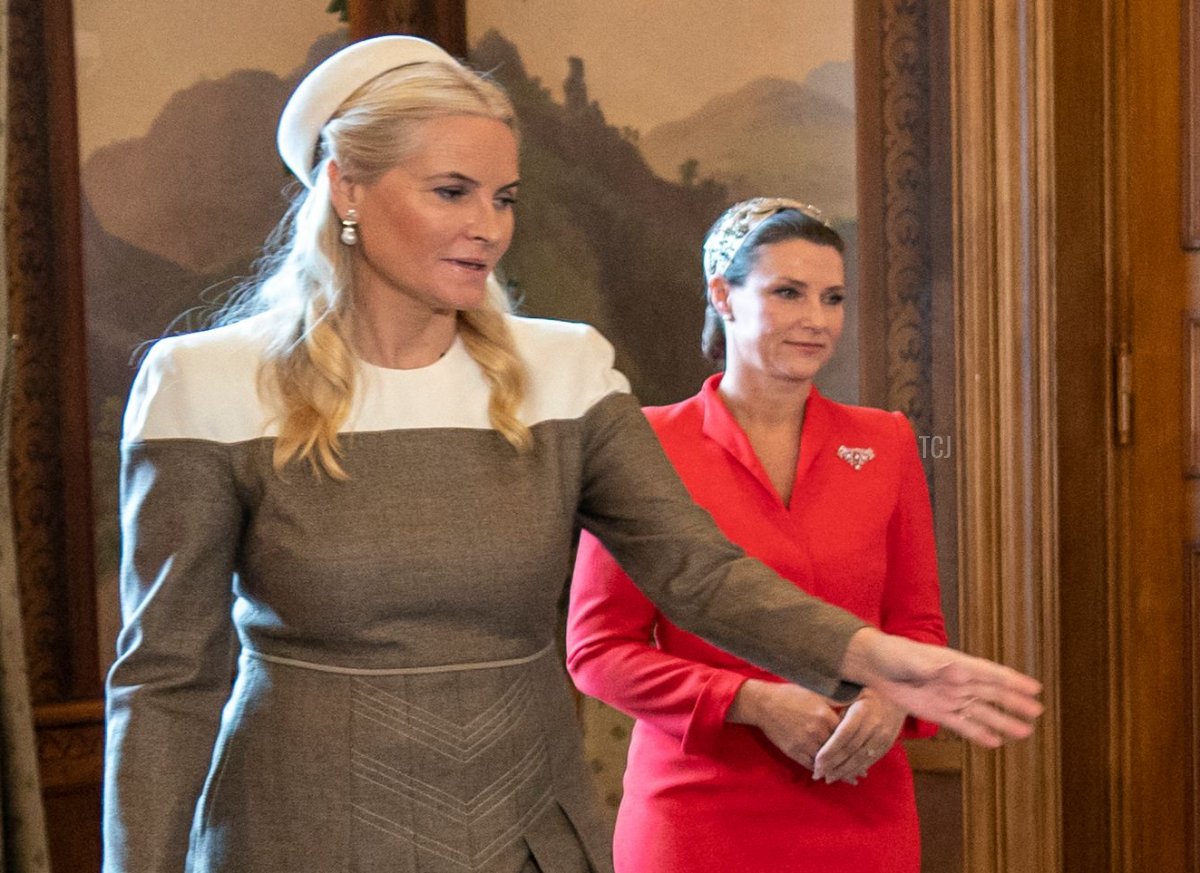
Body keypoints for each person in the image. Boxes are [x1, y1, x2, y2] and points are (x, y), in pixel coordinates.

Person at [102, 37, 1040, 873]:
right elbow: (168, 681)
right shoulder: (203, 384)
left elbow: (696, 569)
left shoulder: (567, 367)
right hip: (295, 830)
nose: (491, 225)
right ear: (346, 186)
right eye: (452, 192)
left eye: (504, 197)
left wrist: (871, 655)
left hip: (528, 825)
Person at [566, 199, 948, 872]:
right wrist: (751, 702)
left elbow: (917, 625)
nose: (816, 320)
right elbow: (598, 650)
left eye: (832, 298)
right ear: (724, 296)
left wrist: (892, 697)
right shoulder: (646, 443)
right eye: (787, 292)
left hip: (858, 801)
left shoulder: (884, 440)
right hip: (699, 813)